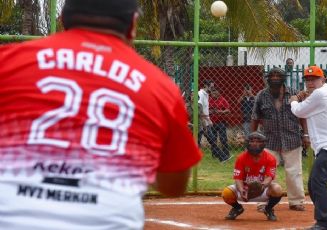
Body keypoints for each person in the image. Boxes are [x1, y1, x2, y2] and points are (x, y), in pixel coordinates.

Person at [0, 1, 202, 229]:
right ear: (132, 25)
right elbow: (174, 185)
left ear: (64, 19)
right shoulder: (159, 87)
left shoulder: (7, 60)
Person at [290, 66, 327, 230]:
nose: (310, 82)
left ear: (322, 80)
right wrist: (304, 98)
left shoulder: (321, 94)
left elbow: (299, 111)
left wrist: (294, 99)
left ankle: (324, 222)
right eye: (308, 80)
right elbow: (307, 108)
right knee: (314, 184)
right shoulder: (319, 93)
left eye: (314, 79)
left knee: (317, 182)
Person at [251, 67, 309, 212]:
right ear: (268, 78)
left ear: (283, 78)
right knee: (266, 172)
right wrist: (252, 137)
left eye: (278, 75)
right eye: (272, 75)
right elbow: (255, 117)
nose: (275, 78)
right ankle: (264, 202)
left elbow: (302, 116)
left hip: (292, 138)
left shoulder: (295, 93)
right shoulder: (261, 95)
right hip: (269, 140)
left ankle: (296, 201)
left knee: (294, 171)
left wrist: (306, 135)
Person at [222, 132, 284, 221]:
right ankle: (237, 208)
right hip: (244, 190)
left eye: (258, 141)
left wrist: (261, 186)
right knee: (226, 193)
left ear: (263, 144)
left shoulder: (270, 158)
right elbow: (238, 178)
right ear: (247, 143)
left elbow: (269, 177)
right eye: (252, 141)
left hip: (262, 190)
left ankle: (268, 209)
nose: (254, 144)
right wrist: (241, 190)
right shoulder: (241, 158)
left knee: (277, 189)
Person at [209, 88, 232, 162]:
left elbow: (228, 110)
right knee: (213, 138)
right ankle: (215, 154)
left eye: (215, 93)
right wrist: (211, 111)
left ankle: (226, 153)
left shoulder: (223, 100)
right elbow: (206, 109)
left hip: (221, 122)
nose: (214, 94)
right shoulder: (209, 100)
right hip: (212, 122)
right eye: (213, 93)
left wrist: (220, 111)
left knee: (223, 139)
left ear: (219, 93)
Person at [198, 79, 214, 145]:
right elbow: (199, 108)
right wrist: (208, 119)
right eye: (211, 87)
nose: (212, 89)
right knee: (197, 141)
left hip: (205, 121)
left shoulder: (206, 94)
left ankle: (220, 155)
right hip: (201, 121)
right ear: (205, 85)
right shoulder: (201, 94)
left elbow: (204, 108)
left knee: (212, 139)